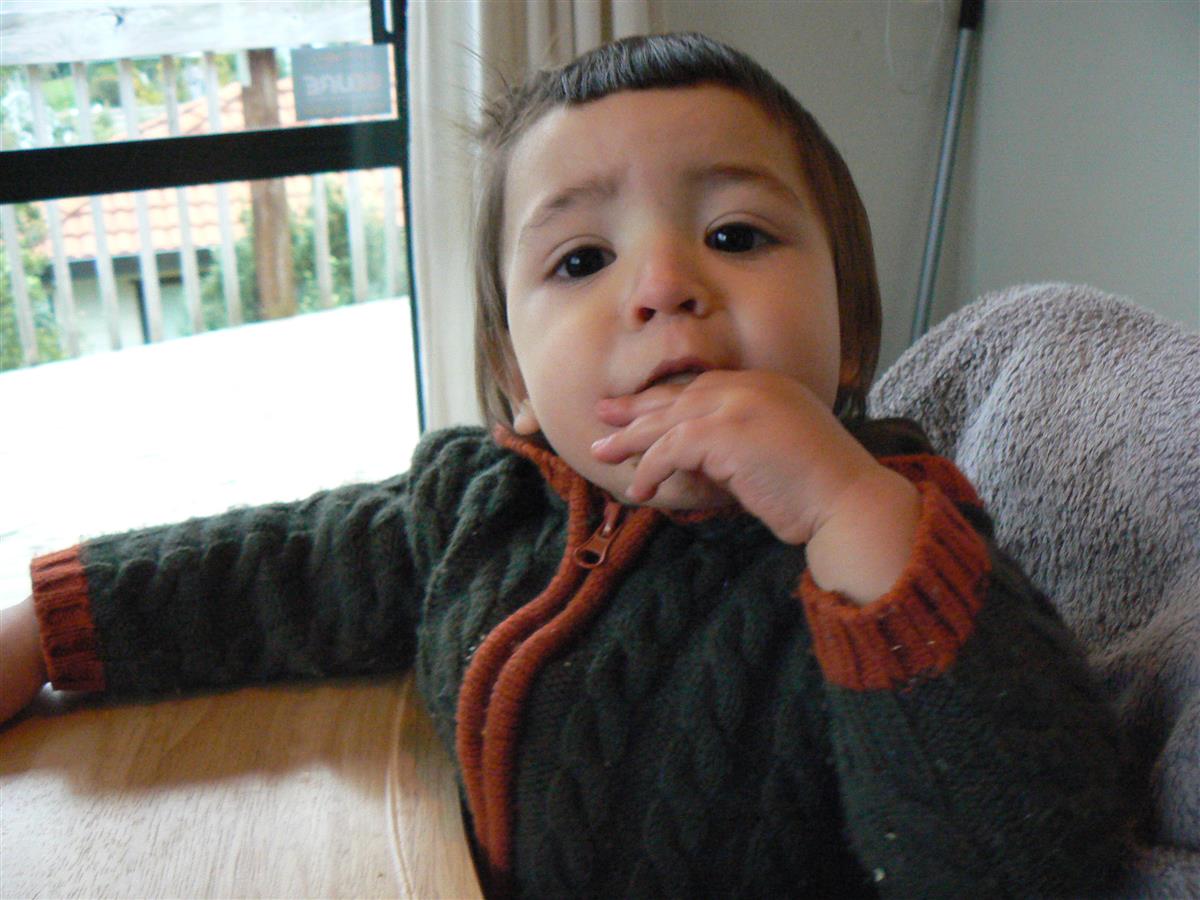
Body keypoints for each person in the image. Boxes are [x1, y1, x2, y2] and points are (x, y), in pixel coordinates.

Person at [0, 33, 1134, 897]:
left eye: (736, 235)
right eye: (583, 259)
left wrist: (847, 509)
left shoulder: (899, 538)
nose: (663, 285)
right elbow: (274, 569)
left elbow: (1033, 858)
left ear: (849, 329)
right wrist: (46, 628)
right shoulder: (486, 502)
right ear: (514, 373)